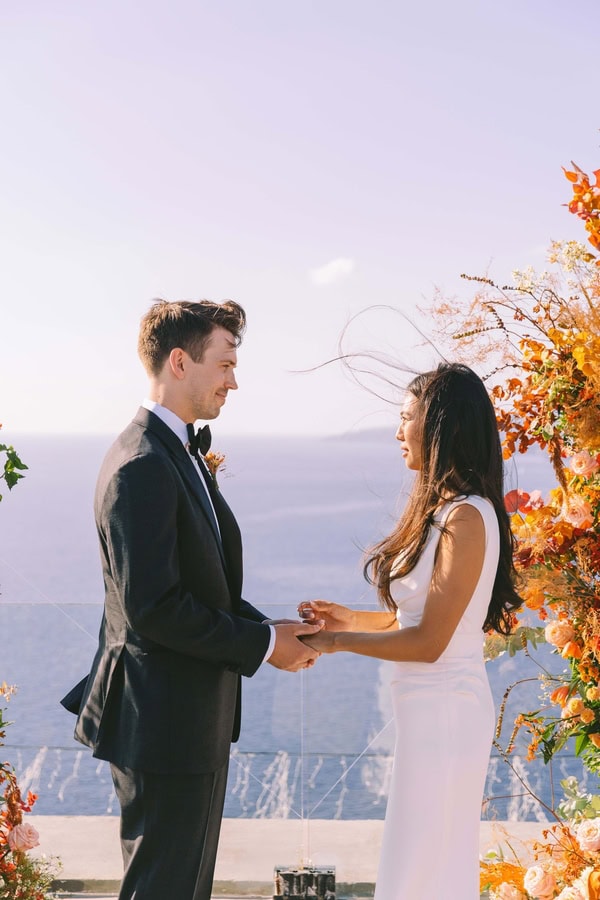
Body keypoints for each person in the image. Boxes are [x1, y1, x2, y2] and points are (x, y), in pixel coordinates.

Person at [62, 299, 322, 900]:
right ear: (179, 362)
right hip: (162, 723)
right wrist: (264, 645)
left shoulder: (176, 452)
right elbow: (153, 608)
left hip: (188, 720)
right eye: (225, 364)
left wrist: (273, 629)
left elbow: (204, 586)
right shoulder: (142, 464)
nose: (234, 381)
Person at [299, 362, 522, 899]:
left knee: (426, 866)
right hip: (428, 712)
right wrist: (349, 619)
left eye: (406, 418)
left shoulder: (467, 518)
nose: (398, 432)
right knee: (419, 863)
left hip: (446, 713)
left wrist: (337, 642)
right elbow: (418, 620)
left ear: (440, 425)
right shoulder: (446, 512)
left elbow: (429, 643)